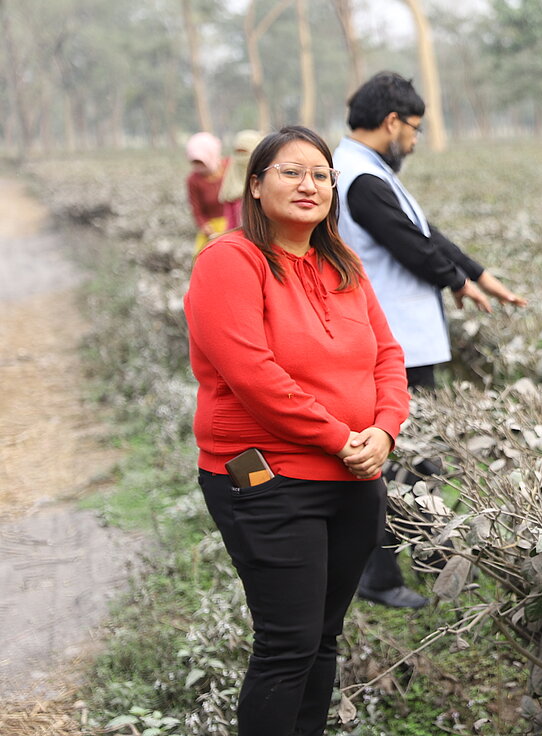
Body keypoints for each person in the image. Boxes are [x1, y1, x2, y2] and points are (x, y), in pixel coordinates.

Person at [185, 126, 409, 736]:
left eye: (320, 173)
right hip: (265, 476)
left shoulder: (342, 260)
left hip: (357, 473)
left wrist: (384, 432)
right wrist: (341, 438)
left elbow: (388, 355)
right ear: (254, 185)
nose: (309, 184)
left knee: (323, 637)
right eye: (290, 171)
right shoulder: (229, 261)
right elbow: (254, 376)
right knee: (288, 642)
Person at [333, 71, 526, 609]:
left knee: (418, 459)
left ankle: (430, 561)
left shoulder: (367, 171)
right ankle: (386, 575)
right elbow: (408, 246)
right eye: (413, 129)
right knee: (400, 460)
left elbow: (425, 234)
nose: (414, 141)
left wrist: (477, 275)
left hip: (404, 341)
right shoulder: (357, 176)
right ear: (391, 122)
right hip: (392, 344)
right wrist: (458, 281)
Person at [186, 131, 228, 255]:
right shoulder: (193, 180)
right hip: (213, 227)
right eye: (195, 162)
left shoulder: (231, 167)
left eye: (201, 162)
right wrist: (208, 230)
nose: (199, 167)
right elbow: (197, 211)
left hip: (237, 223)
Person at [218, 129, 264, 230]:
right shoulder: (231, 182)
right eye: (238, 153)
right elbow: (230, 224)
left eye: (245, 153)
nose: (241, 158)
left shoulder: (267, 183)